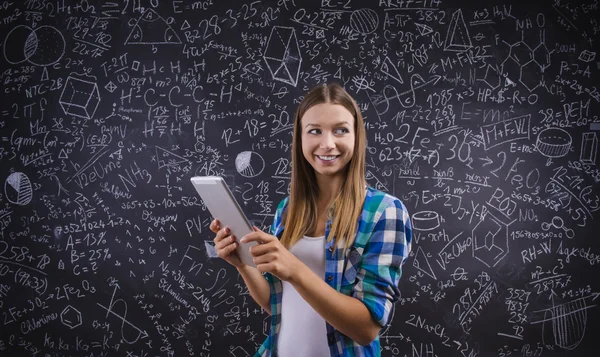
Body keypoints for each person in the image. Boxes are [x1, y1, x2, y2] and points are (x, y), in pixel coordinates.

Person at [211, 83, 412, 357]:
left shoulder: (384, 212)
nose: (327, 144)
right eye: (314, 131)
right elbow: (279, 303)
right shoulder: (288, 210)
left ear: (356, 136)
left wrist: (296, 270)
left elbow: (366, 328)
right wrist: (242, 265)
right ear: (300, 138)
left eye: (340, 130)